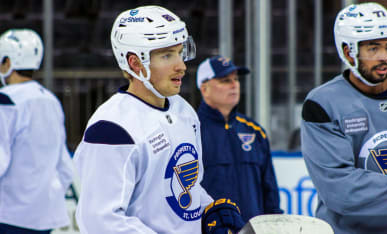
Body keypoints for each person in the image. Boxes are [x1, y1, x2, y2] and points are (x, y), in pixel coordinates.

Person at [73, 6, 244, 234]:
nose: (181, 66)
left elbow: (187, 188)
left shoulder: (183, 111)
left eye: (180, 52)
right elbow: (99, 221)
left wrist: (208, 209)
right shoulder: (112, 128)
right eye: (166, 55)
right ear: (135, 63)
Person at [301, 2, 387, 234]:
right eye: (373, 49)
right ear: (348, 52)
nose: (384, 57)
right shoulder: (323, 104)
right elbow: (343, 193)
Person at [0, 29, 73, 233]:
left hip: (8, 214)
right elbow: (65, 166)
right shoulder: (51, 100)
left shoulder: (5, 100)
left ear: (8, 62)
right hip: (44, 216)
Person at [196, 55, 284, 222]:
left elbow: (269, 189)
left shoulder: (255, 131)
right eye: (225, 80)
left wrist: (275, 223)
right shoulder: (190, 130)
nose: (234, 85)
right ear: (204, 88)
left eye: (236, 79)